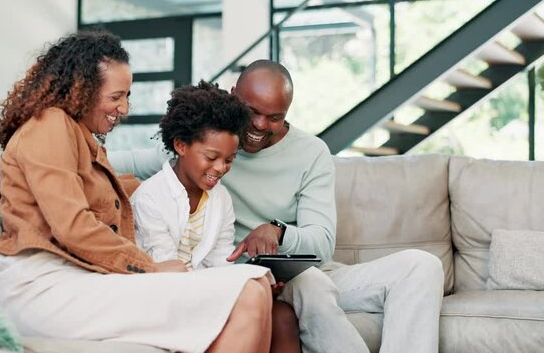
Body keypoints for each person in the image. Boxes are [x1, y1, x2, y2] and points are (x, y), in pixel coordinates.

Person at [109, 59, 445, 353]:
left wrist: (278, 232)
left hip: (297, 274)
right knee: (310, 285)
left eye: (274, 117)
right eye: (251, 111)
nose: (258, 125)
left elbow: (322, 243)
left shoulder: (311, 153)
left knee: (422, 266)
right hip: (247, 280)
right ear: (233, 95)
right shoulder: (205, 142)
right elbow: (119, 160)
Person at [0, 31, 275, 353]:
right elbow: (72, 225)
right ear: (82, 89)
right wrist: (151, 268)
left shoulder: (81, 138)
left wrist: (171, 187)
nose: (124, 108)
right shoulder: (50, 125)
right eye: (115, 96)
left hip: (78, 279)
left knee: (257, 283)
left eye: (127, 96)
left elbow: (114, 191)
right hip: (39, 287)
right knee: (248, 288)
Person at [131, 80, 247, 270]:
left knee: (261, 280)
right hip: (163, 288)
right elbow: (165, 265)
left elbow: (221, 258)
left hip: (203, 286)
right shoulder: (149, 197)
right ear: (181, 145)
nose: (220, 168)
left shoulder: (221, 197)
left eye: (229, 160)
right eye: (211, 157)